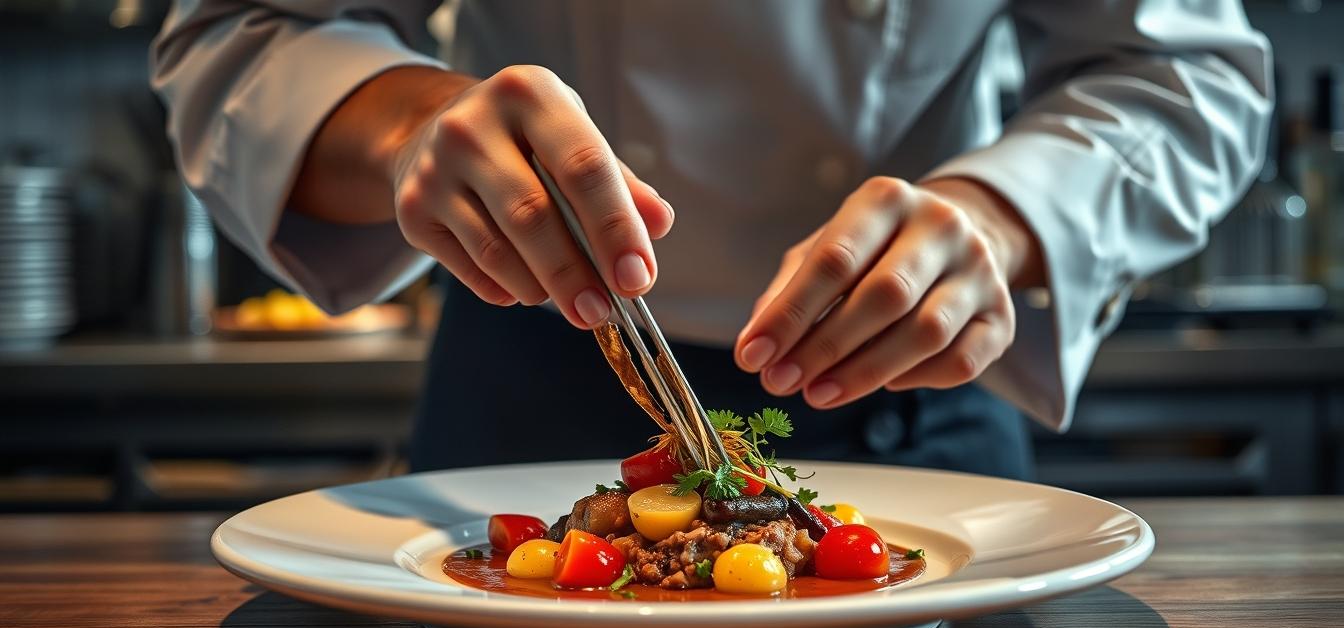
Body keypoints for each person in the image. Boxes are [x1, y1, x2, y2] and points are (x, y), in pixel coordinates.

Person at [151, 1, 1271, 480]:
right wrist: (412, 129)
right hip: (531, 383)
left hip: (916, 388)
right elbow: (244, 36)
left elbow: (1186, 73)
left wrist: (1002, 214)